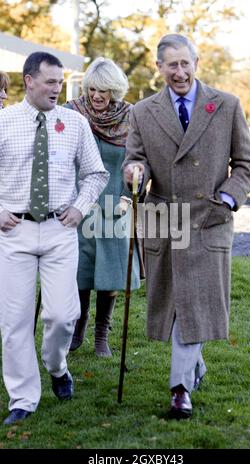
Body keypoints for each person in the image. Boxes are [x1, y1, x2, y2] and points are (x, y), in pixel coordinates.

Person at [123, 34, 250, 420]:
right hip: (165, 221)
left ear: (197, 62)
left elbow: (246, 164)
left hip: (209, 220)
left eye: (185, 64)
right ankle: (192, 368)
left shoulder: (226, 104)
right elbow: (136, 161)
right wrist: (134, 172)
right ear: (159, 68)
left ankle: (179, 388)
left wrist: (227, 200)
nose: (179, 72)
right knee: (180, 304)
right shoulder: (143, 112)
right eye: (171, 65)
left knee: (195, 300)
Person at [0, 52, 109, 425]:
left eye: (60, 82)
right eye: (50, 82)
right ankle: (23, 399)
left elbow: (96, 173)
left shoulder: (74, 123)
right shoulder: (4, 121)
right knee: (14, 321)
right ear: (29, 80)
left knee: (63, 316)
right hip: (14, 232)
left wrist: (80, 207)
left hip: (60, 230)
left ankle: (57, 365)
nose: (57, 88)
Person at [65, 57, 140, 356]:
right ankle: (77, 330)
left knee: (110, 272)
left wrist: (126, 196)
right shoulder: (72, 112)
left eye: (104, 90)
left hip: (114, 204)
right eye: (93, 89)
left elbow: (137, 159)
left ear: (115, 91)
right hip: (79, 204)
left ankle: (101, 336)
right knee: (81, 271)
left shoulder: (130, 116)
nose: (97, 96)